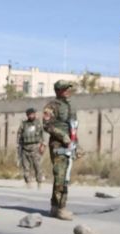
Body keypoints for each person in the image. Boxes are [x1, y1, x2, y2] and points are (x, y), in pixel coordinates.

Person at [42, 80, 77, 220]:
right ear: (58, 91)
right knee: (61, 177)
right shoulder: (51, 106)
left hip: (69, 145)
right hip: (58, 145)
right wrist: (63, 136)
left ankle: (54, 207)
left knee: (64, 177)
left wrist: (76, 145)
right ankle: (61, 208)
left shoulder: (70, 107)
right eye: (65, 89)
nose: (68, 91)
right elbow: (47, 125)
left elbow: (74, 127)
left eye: (69, 88)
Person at [16, 108, 45, 189]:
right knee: (26, 167)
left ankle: (39, 183)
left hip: (35, 147)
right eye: (29, 114)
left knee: (37, 166)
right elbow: (19, 135)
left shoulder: (38, 123)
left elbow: (43, 135)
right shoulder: (24, 124)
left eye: (32, 114)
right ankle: (28, 183)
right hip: (25, 148)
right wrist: (19, 146)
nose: (30, 116)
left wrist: (43, 145)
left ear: (35, 114)